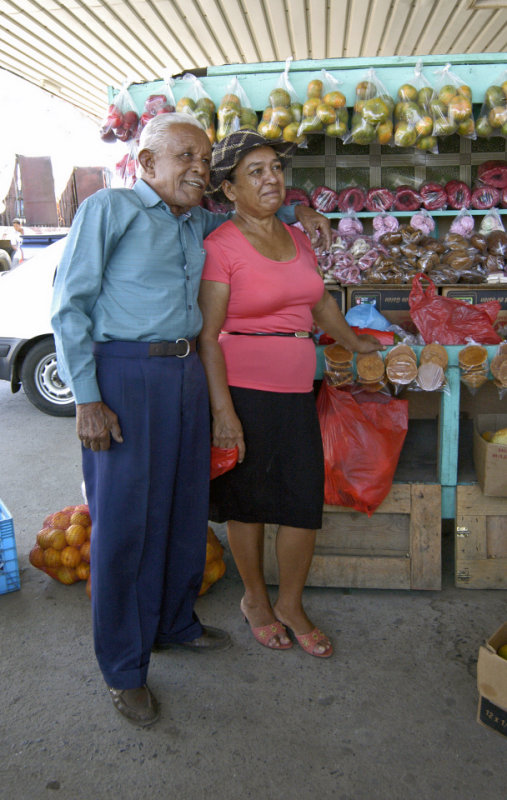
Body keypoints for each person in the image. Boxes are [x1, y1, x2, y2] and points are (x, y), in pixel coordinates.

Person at [50, 112, 332, 726]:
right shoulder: (111, 210)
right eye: (184, 156)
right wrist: (86, 398)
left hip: (186, 376)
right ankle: (125, 667)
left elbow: (255, 212)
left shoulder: (198, 221)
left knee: (183, 508)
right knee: (125, 524)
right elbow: (68, 305)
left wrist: (299, 208)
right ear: (146, 163)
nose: (198, 169)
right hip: (124, 375)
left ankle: (175, 623)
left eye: (204, 159)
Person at [198, 131, 383, 659]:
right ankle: (256, 600)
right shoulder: (221, 246)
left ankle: (292, 604)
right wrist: (223, 413)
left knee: (301, 503)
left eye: (274, 168)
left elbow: (319, 303)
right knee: (249, 504)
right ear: (229, 190)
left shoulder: (298, 237)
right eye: (254, 171)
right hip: (244, 391)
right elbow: (208, 336)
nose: (271, 178)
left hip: (297, 389)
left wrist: (354, 340)